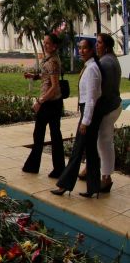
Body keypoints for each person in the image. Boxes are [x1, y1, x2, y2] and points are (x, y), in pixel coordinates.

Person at [52, 38, 103, 198]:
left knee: (77, 150)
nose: (81, 51)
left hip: (90, 114)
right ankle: (93, 187)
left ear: (92, 50)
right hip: (88, 112)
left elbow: (92, 99)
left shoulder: (92, 69)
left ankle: (64, 185)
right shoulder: (89, 67)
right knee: (91, 151)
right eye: (79, 48)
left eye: (84, 48)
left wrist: (86, 121)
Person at [21, 34, 65, 178]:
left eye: (47, 43)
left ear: (54, 46)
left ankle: (35, 166)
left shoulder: (53, 61)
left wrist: (40, 101)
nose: (45, 45)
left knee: (42, 134)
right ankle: (57, 168)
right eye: (44, 42)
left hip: (50, 103)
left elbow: (54, 86)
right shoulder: (50, 59)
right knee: (53, 134)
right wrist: (34, 76)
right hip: (53, 102)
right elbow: (46, 76)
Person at [94, 33, 122, 193]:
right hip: (111, 106)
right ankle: (95, 169)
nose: (96, 45)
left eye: (99, 43)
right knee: (101, 141)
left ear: (107, 46)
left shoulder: (106, 62)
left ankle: (106, 177)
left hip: (108, 108)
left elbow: (102, 90)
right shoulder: (110, 59)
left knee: (104, 142)